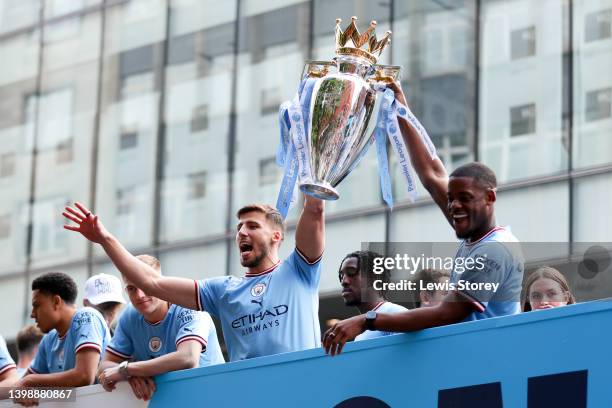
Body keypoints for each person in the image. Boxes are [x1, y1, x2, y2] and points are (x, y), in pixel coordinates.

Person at [323, 82, 524, 356]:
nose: (453, 206)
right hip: (471, 360)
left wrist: (367, 320)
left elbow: (445, 313)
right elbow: (431, 173)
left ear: (489, 198)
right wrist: (400, 107)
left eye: (464, 198)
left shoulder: (494, 249)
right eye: (451, 198)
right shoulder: (474, 230)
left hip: (488, 363)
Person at [63, 198, 324, 361]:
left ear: (276, 236)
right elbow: (151, 283)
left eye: (253, 226)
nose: (242, 232)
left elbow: (314, 209)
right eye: (239, 227)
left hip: (302, 389)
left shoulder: (298, 270)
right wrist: (105, 239)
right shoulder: (223, 290)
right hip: (249, 395)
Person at [97, 255, 224, 401]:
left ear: (158, 282)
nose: (140, 295)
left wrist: (127, 369)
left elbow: (188, 358)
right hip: (169, 399)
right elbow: (103, 367)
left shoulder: (188, 304)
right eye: (131, 289)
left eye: (145, 286)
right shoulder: (130, 315)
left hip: (211, 396)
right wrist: (130, 376)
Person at [15, 272, 110, 387]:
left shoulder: (86, 316)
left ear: (56, 302)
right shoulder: (48, 340)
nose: (32, 314)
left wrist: (31, 381)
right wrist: (24, 384)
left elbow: (84, 376)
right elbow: (20, 385)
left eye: (36, 305)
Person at [338, 251, 407, 341]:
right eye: (341, 275)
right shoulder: (359, 335)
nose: (344, 281)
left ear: (374, 277)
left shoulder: (395, 313)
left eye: (351, 272)